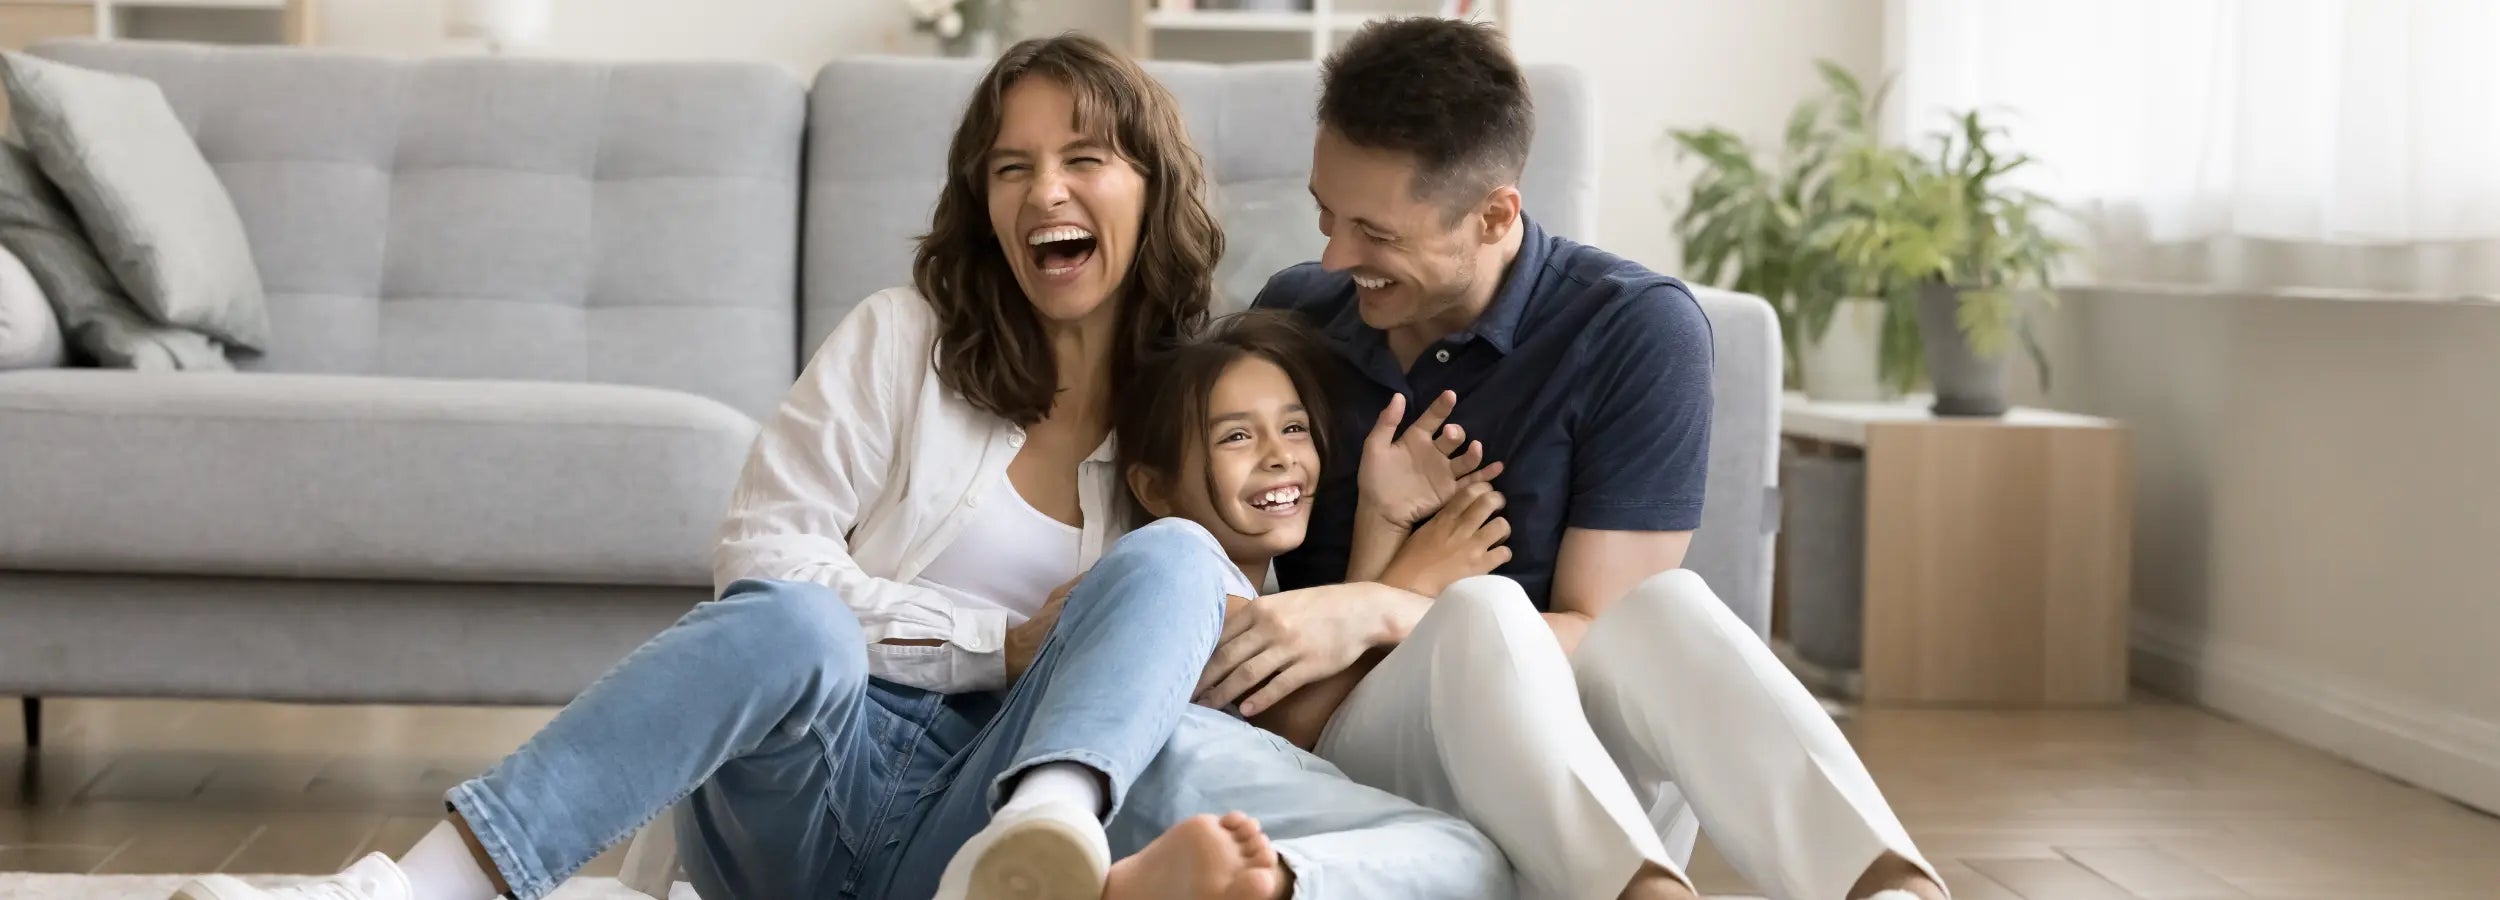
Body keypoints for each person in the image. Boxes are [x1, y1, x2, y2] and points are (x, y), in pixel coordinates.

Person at [171, 34, 1506, 900]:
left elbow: (1249, 631)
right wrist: (997, 643)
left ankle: (1047, 848)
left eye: (1085, 159)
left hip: (1001, 814)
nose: (1046, 193)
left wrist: (1382, 563)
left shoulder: (1195, 408)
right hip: (820, 791)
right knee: (796, 621)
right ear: (982, 203)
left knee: (1202, 595)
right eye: (1011, 168)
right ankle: (404, 894)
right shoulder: (903, 342)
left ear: (1149, 186)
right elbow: (760, 567)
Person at [1178, 17, 1955, 900]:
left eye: (1375, 233)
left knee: (1666, 610)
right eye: (1326, 214)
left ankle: (1890, 889)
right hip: (1374, 759)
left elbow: (1603, 632)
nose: (1334, 256)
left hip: (1587, 771)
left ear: (1496, 213)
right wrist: (1414, 595)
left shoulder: (1631, 327)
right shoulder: (1300, 315)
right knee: (1479, 614)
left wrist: (1373, 607)